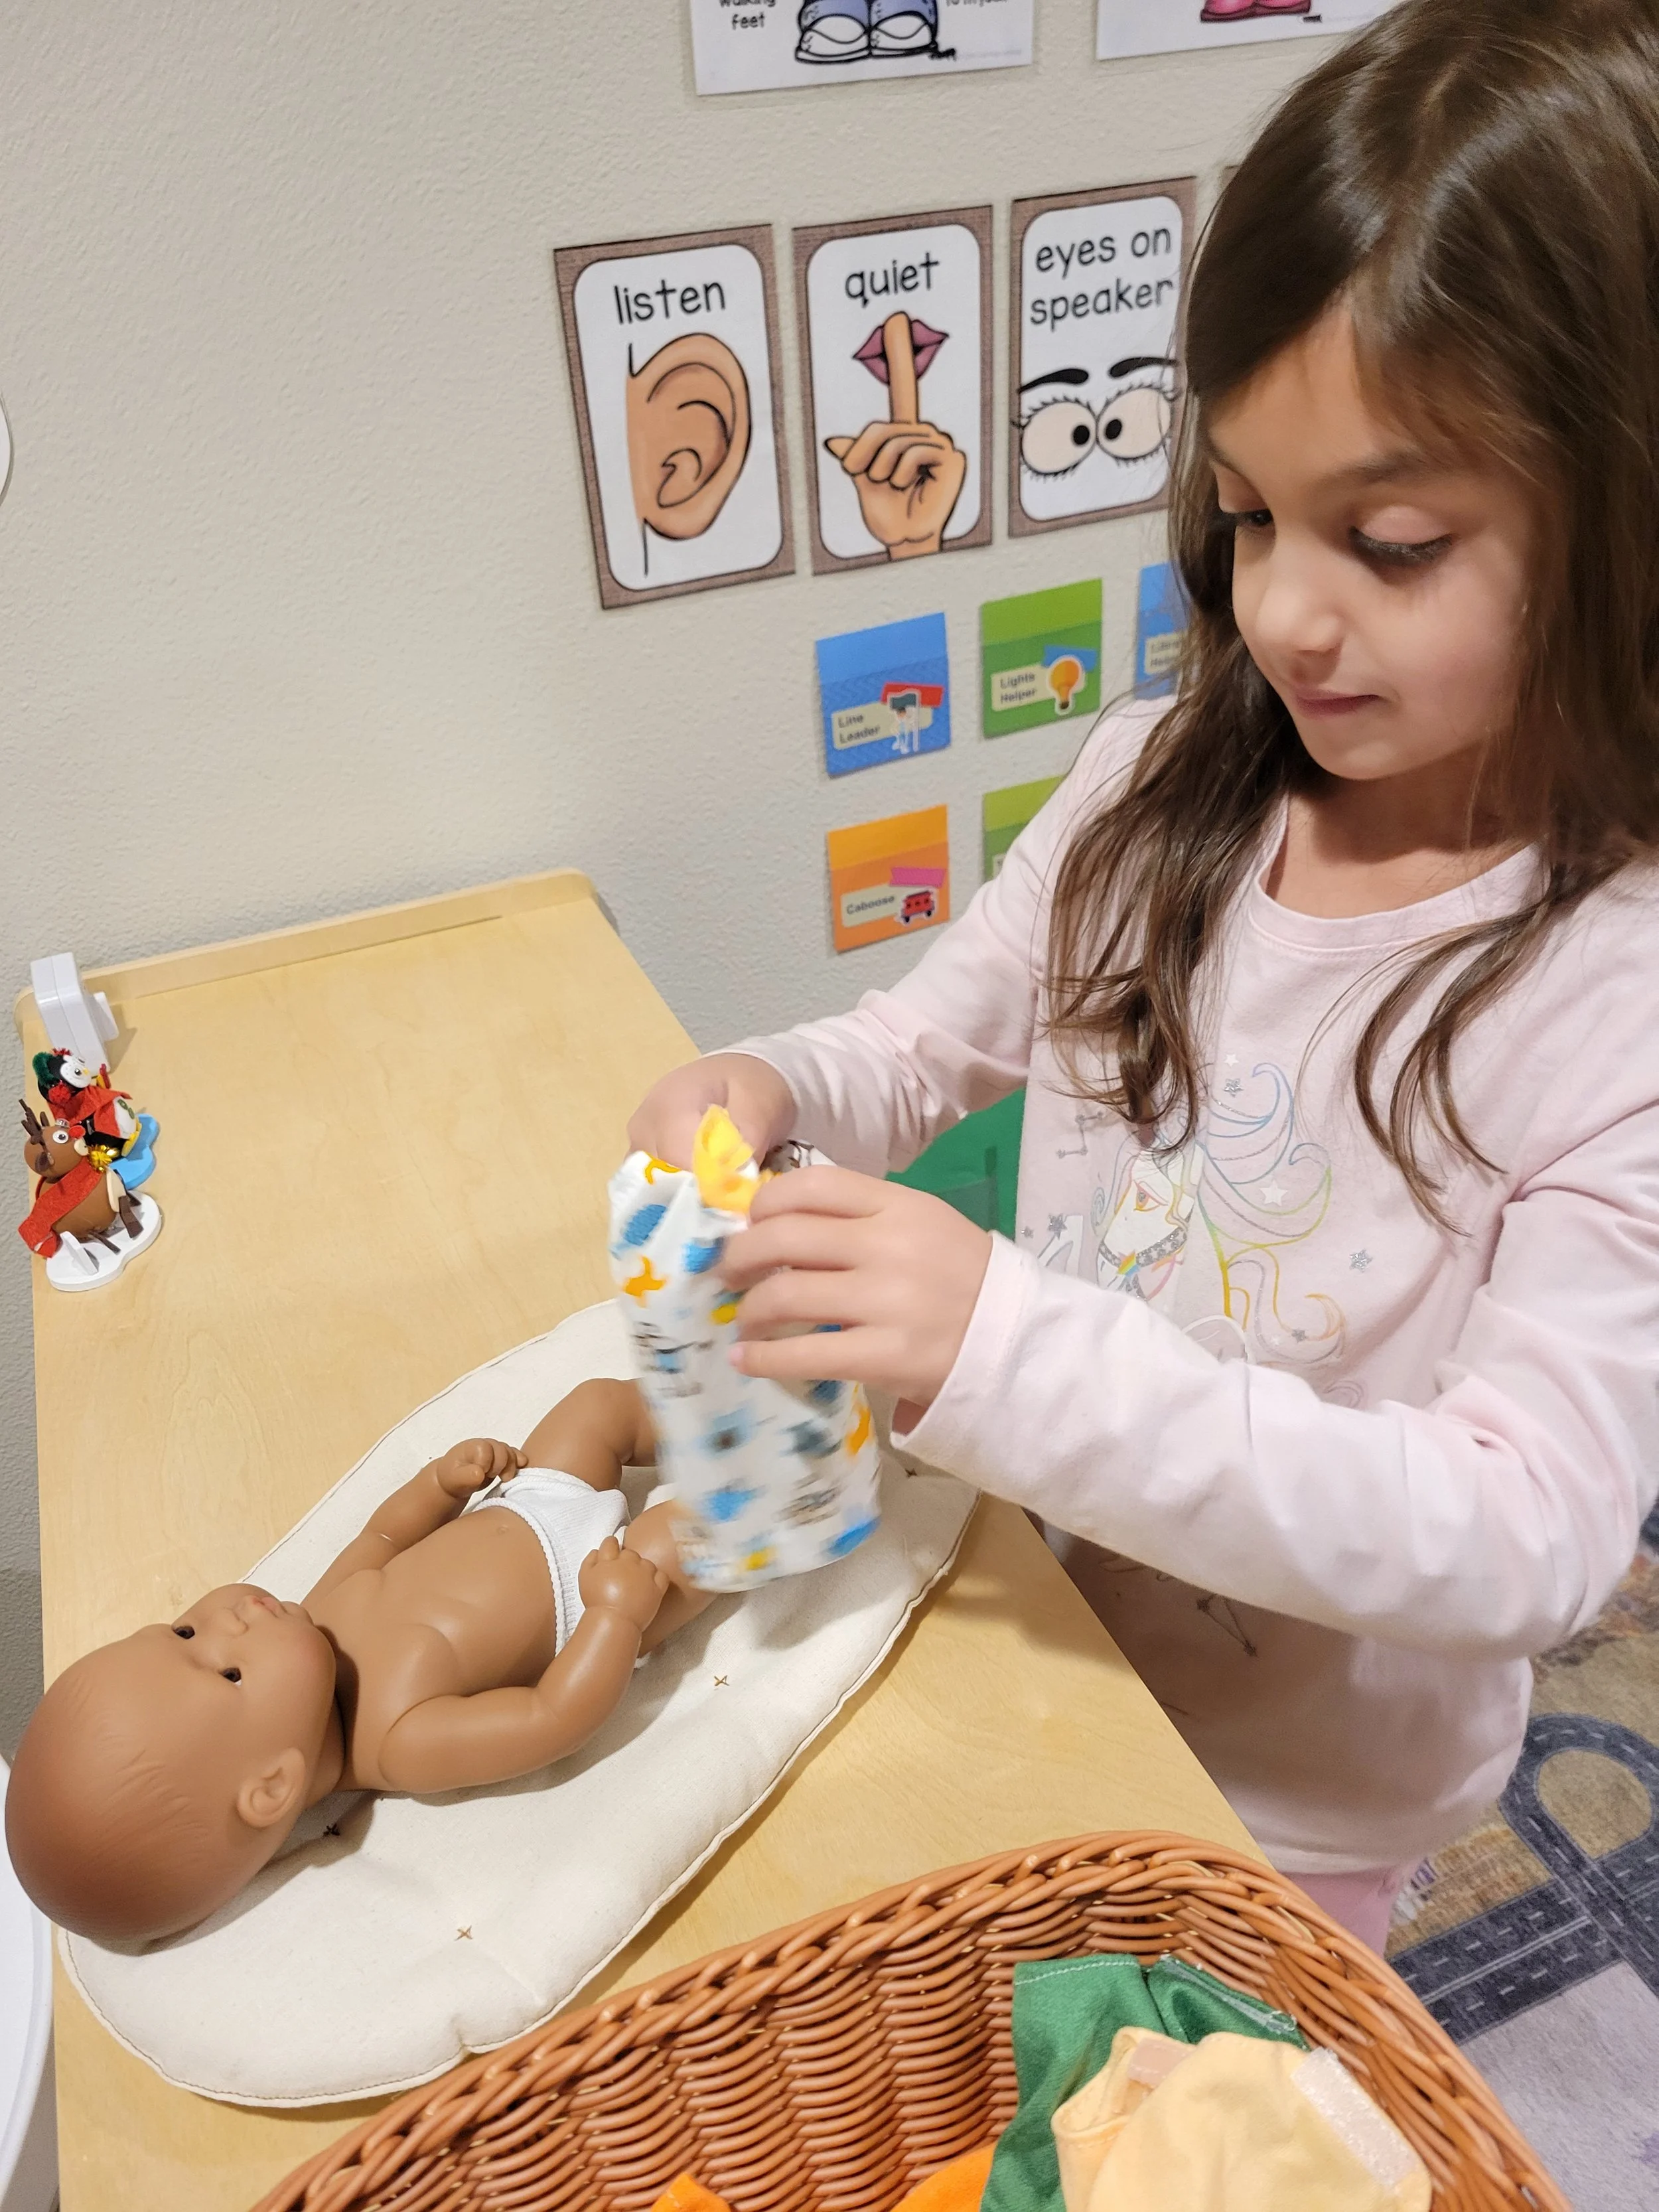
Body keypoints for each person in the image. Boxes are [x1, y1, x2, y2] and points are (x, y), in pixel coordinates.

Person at [628, 0, 1659, 1954]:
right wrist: (765, 1085)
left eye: (1387, 538)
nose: (1275, 607)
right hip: (1002, 1607)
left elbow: (1523, 1531)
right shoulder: (1148, 784)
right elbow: (916, 1045)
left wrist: (999, 1347)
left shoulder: (1610, 999)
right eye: (1247, 512)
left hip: (1278, 1804)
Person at [6, 1380, 711, 1943]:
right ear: (274, 1786)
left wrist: (440, 1487)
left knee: (596, 1406)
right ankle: (801, 1473)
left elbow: (379, 1535)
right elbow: (551, 1717)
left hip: (535, 1497)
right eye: (229, 1673)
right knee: (690, 1540)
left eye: (183, 1631)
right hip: (588, 1598)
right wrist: (616, 1617)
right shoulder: (400, 1742)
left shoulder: (307, 1624)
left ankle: (725, 1406)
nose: (229, 1619)